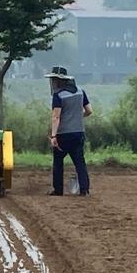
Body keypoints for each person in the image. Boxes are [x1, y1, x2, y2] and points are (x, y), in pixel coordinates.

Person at [45, 66, 93, 196]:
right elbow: (89, 111)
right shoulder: (81, 92)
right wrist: (77, 117)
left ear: (59, 81)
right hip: (78, 133)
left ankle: (58, 190)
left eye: (54, 80)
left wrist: (54, 136)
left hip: (63, 134)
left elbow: (56, 117)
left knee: (58, 162)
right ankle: (84, 189)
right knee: (80, 162)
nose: (52, 82)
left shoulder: (58, 96)